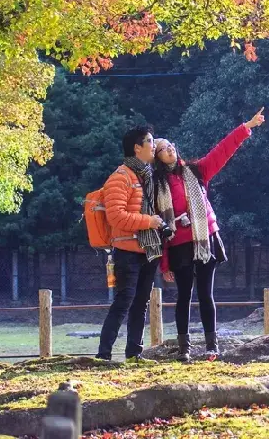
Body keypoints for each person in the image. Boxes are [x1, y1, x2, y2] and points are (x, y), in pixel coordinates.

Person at [155, 108, 265, 362]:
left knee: (206, 294)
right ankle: (184, 348)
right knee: (184, 296)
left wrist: (246, 127)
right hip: (179, 245)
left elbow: (221, 151)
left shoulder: (196, 171)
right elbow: (160, 226)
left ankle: (211, 346)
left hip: (205, 240)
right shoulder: (156, 185)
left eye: (171, 145)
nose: (170, 149)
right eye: (163, 148)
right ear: (157, 157)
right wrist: (165, 263)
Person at [97, 126, 166, 362]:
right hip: (127, 251)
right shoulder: (120, 177)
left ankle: (134, 354)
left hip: (148, 250)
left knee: (141, 303)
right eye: (150, 141)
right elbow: (115, 217)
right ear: (137, 148)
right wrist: (150, 221)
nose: (154, 145)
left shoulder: (148, 176)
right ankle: (103, 355)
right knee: (124, 301)